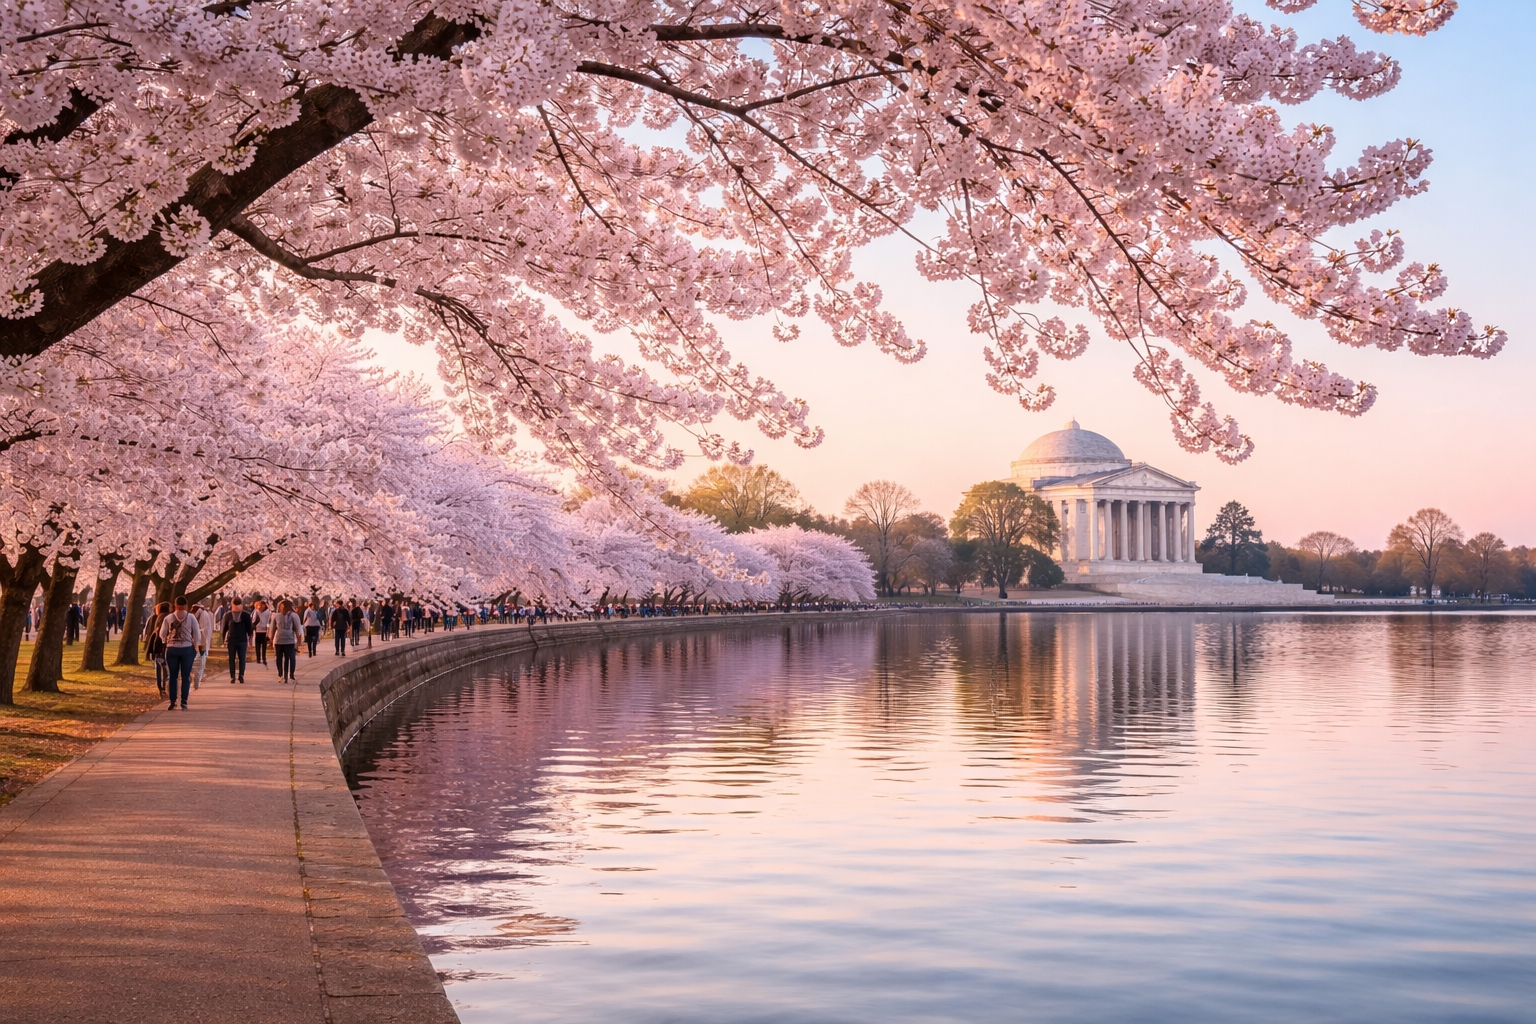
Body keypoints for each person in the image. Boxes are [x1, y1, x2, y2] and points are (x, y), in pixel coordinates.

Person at [159, 597, 201, 711]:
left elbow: (162, 634)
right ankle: (184, 701)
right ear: (186, 606)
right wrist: (195, 644)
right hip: (187, 649)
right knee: (185, 676)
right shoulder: (191, 617)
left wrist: (166, 641)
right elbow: (197, 633)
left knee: (172, 676)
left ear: (175, 605)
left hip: (172, 649)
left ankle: (173, 701)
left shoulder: (168, 618)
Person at [224, 597, 253, 684]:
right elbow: (224, 628)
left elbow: (249, 629)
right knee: (231, 658)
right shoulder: (228, 615)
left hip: (242, 640)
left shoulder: (246, 615)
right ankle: (232, 676)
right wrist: (224, 639)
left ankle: (241, 675)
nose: (236, 607)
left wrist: (250, 641)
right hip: (231, 640)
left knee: (242, 658)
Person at [272, 599, 302, 683]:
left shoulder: (293, 615)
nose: (282, 609)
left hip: (289, 640)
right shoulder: (275, 615)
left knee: (289, 658)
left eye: (284, 607)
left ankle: (288, 674)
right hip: (279, 640)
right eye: (281, 607)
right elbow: (272, 628)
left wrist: (299, 640)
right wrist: (271, 639)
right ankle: (280, 674)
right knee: (279, 658)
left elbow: (297, 628)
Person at [144, 602, 170, 696]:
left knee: (159, 667)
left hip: (158, 646)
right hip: (167, 646)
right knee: (166, 667)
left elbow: (153, 633)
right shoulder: (170, 617)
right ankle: (166, 685)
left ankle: (161, 688)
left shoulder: (158, 618)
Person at [191, 601, 215, 689]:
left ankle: (198, 679)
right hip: (202, 642)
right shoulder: (203, 614)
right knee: (200, 661)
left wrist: (202, 643)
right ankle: (198, 678)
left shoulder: (202, 615)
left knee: (200, 661)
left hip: (201, 642)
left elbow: (203, 630)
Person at [252, 600, 271, 666]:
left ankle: (261, 658)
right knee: (260, 645)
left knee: (262, 645)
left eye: (262, 605)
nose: (261, 607)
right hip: (260, 630)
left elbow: (269, 621)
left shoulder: (266, 612)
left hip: (262, 630)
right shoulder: (258, 612)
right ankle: (260, 658)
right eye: (260, 605)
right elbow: (254, 620)